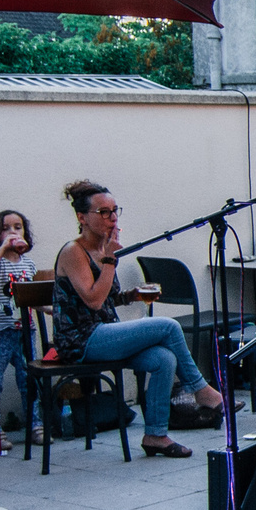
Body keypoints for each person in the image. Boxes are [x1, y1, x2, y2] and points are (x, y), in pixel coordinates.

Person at [50, 180, 223, 455]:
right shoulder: (75, 251)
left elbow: (108, 297)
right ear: (82, 218)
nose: (112, 218)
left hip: (105, 333)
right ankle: (200, 388)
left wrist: (132, 295)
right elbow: (93, 301)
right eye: (103, 212)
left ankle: (155, 436)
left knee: (163, 359)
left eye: (114, 210)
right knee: (168, 325)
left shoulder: (102, 250)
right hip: (81, 341)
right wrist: (110, 261)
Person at [0, 208, 41, 446]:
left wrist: (50, 309)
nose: (12, 232)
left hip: (26, 330)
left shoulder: (29, 264)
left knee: (29, 379)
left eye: (17, 227)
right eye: (5, 228)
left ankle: (35, 424)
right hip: (0, 331)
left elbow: (33, 297)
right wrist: (2, 249)